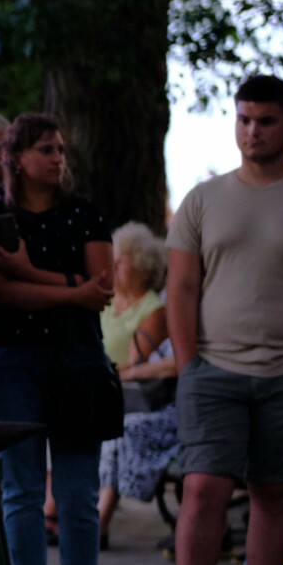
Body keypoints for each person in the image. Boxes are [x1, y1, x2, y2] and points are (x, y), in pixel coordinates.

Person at [158, 74, 283, 565]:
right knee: (202, 488)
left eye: (265, 120)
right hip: (213, 369)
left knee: (274, 492)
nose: (252, 131)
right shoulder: (203, 198)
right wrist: (190, 365)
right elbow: (181, 288)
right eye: (244, 119)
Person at [0, 113, 112, 565]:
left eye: (61, 149)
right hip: (11, 358)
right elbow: (3, 295)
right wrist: (71, 290)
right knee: (22, 489)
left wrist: (30, 272)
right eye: (46, 150)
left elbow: (103, 287)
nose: (58, 158)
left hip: (78, 360)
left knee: (79, 494)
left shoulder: (83, 213)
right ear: (16, 159)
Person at [98, 222, 174, 548]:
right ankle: (57, 510)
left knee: (118, 429)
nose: (114, 265)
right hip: (102, 389)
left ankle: (97, 522)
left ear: (142, 266)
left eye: (122, 259)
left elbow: (136, 364)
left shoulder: (153, 309)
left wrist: (110, 373)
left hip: (135, 399)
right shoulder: (105, 300)